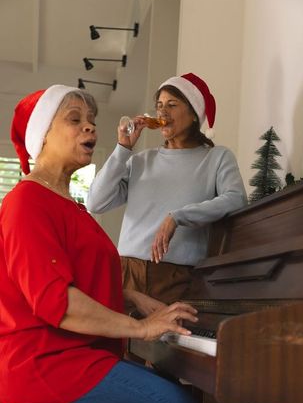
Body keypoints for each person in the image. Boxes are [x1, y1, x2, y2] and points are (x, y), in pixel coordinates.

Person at [0, 85, 200, 403]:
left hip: (73, 357)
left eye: (91, 122)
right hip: (44, 363)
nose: (89, 129)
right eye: (74, 121)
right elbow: (56, 301)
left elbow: (75, 276)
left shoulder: (68, 204)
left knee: (168, 398)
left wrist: (131, 297)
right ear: (41, 135)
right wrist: (142, 329)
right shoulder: (27, 203)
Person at [87, 73, 247, 308]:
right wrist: (123, 148)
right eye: (159, 106)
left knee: (169, 345)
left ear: (194, 114)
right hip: (126, 273)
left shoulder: (217, 157)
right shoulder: (140, 161)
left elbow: (236, 200)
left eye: (172, 105)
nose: (162, 113)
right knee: (114, 345)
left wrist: (178, 216)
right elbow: (96, 202)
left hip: (178, 279)